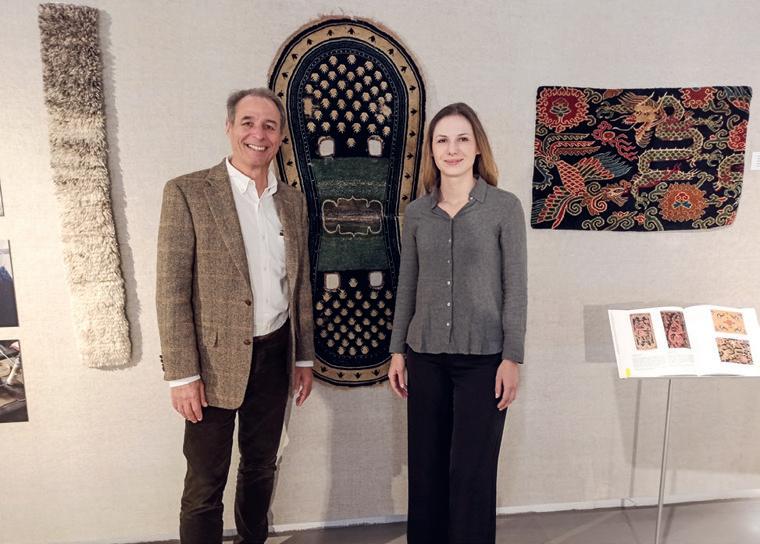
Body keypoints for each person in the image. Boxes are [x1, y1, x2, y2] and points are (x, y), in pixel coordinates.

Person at [156, 88, 314, 544]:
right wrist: (182, 374)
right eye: (248, 123)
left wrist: (303, 358)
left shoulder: (292, 202)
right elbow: (170, 290)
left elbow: (299, 284)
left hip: (275, 354)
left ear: (280, 136)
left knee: (261, 466)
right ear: (229, 128)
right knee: (205, 483)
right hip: (211, 365)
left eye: (269, 125)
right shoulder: (187, 192)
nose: (258, 134)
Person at [387, 102, 527, 543]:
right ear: (431, 150)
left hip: (484, 360)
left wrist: (512, 358)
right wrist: (396, 351)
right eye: (442, 140)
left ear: (477, 147)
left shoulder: (504, 208)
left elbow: (515, 287)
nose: (453, 149)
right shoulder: (416, 213)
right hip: (425, 356)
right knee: (426, 469)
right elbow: (407, 284)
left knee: (473, 473)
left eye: (462, 139)